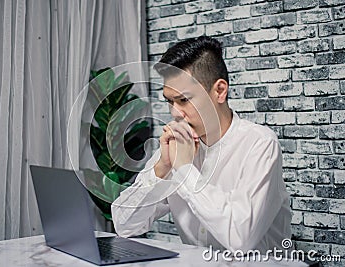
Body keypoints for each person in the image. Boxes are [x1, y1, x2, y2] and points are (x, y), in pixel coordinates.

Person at [111, 36, 292, 253]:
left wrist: (185, 170)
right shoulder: (175, 149)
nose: (174, 113)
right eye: (170, 101)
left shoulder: (259, 144)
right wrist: (161, 169)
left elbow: (240, 239)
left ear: (219, 91)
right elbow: (124, 225)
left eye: (184, 100)